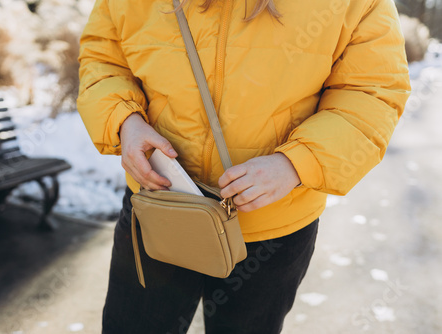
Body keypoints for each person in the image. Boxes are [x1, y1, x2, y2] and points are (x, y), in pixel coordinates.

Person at [77, 0, 411, 332]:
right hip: (159, 207)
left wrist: (296, 163)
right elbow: (103, 55)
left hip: (271, 226)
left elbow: (372, 91)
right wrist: (124, 120)